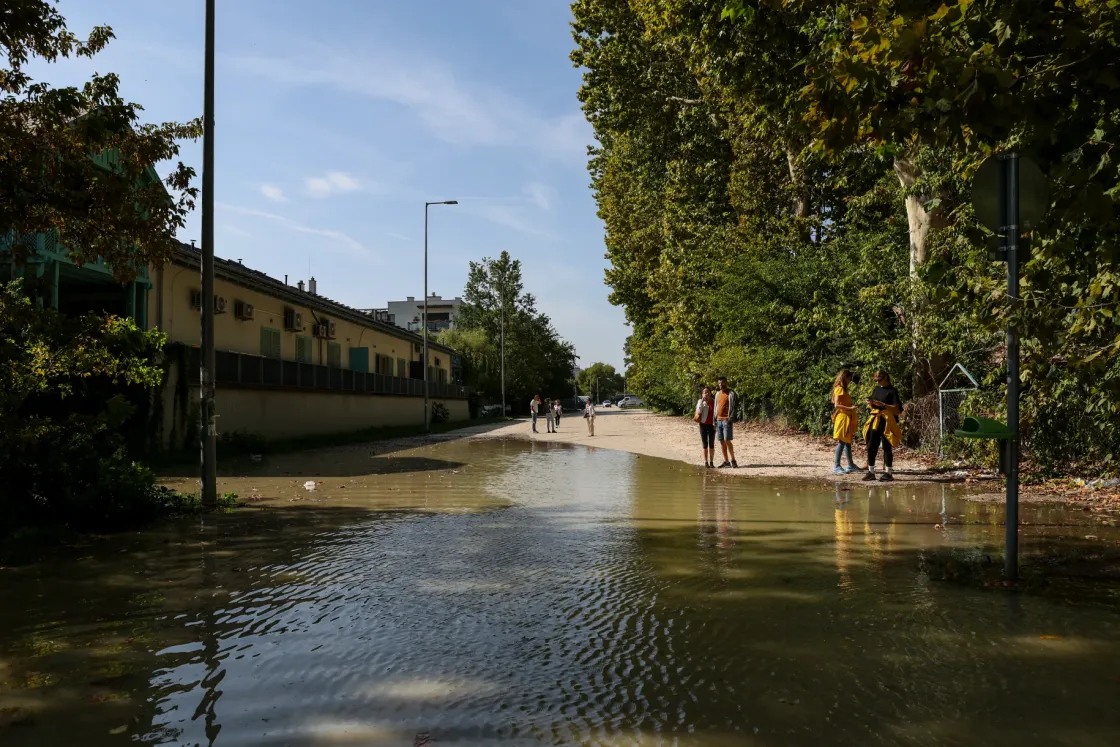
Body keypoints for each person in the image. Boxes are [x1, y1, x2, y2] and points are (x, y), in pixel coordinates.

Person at [862, 369, 902, 482]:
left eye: (880, 380)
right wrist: (871, 403)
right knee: (871, 446)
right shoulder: (876, 389)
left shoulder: (892, 391)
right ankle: (871, 472)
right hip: (876, 419)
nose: (878, 382)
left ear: (885, 378)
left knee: (886, 447)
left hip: (887, 421)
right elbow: (875, 404)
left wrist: (883, 405)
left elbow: (898, 410)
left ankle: (888, 473)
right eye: (877, 380)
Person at [831, 370, 860, 474]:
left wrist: (851, 408)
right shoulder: (839, 389)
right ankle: (836, 466)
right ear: (845, 378)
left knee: (847, 442)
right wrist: (850, 408)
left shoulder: (843, 389)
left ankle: (850, 465)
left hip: (847, 416)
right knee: (842, 442)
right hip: (842, 417)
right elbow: (837, 405)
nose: (850, 381)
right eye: (849, 378)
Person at [714, 376, 738, 468]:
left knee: (727, 440)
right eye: (719, 383)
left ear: (726, 383)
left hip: (726, 420)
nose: (721, 385)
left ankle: (733, 460)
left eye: (722, 382)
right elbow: (716, 407)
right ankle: (726, 461)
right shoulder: (717, 394)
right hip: (718, 420)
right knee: (721, 441)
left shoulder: (731, 393)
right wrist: (714, 420)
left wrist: (730, 419)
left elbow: (734, 407)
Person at [694, 385, 717, 467]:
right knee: (705, 444)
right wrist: (701, 402)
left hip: (712, 425)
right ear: (702, 394)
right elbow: (698, 412)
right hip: (703, 425)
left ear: (710, 393)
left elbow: (717, 414)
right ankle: (706, 462)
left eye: (707, 392)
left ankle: (711, 462)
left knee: (711, 444)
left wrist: (716, 424)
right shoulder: (701, 402)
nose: (706, 394)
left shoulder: (714, 402)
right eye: (704, 392)